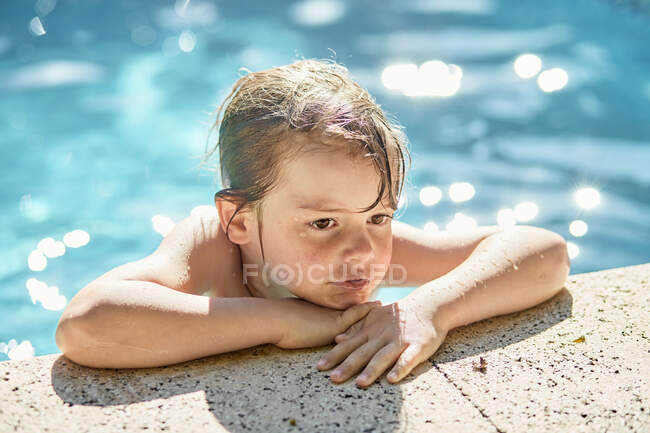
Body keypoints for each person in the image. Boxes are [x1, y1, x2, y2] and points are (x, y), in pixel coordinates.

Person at [55, 59, 570, 388]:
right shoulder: (213, 246)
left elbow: (544, 253)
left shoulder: (367, 242)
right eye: (322, 222)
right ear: (239, 220)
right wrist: (283, 324)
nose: (363, 252)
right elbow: (87, 325)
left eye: (379, 215)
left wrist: (431, 307)